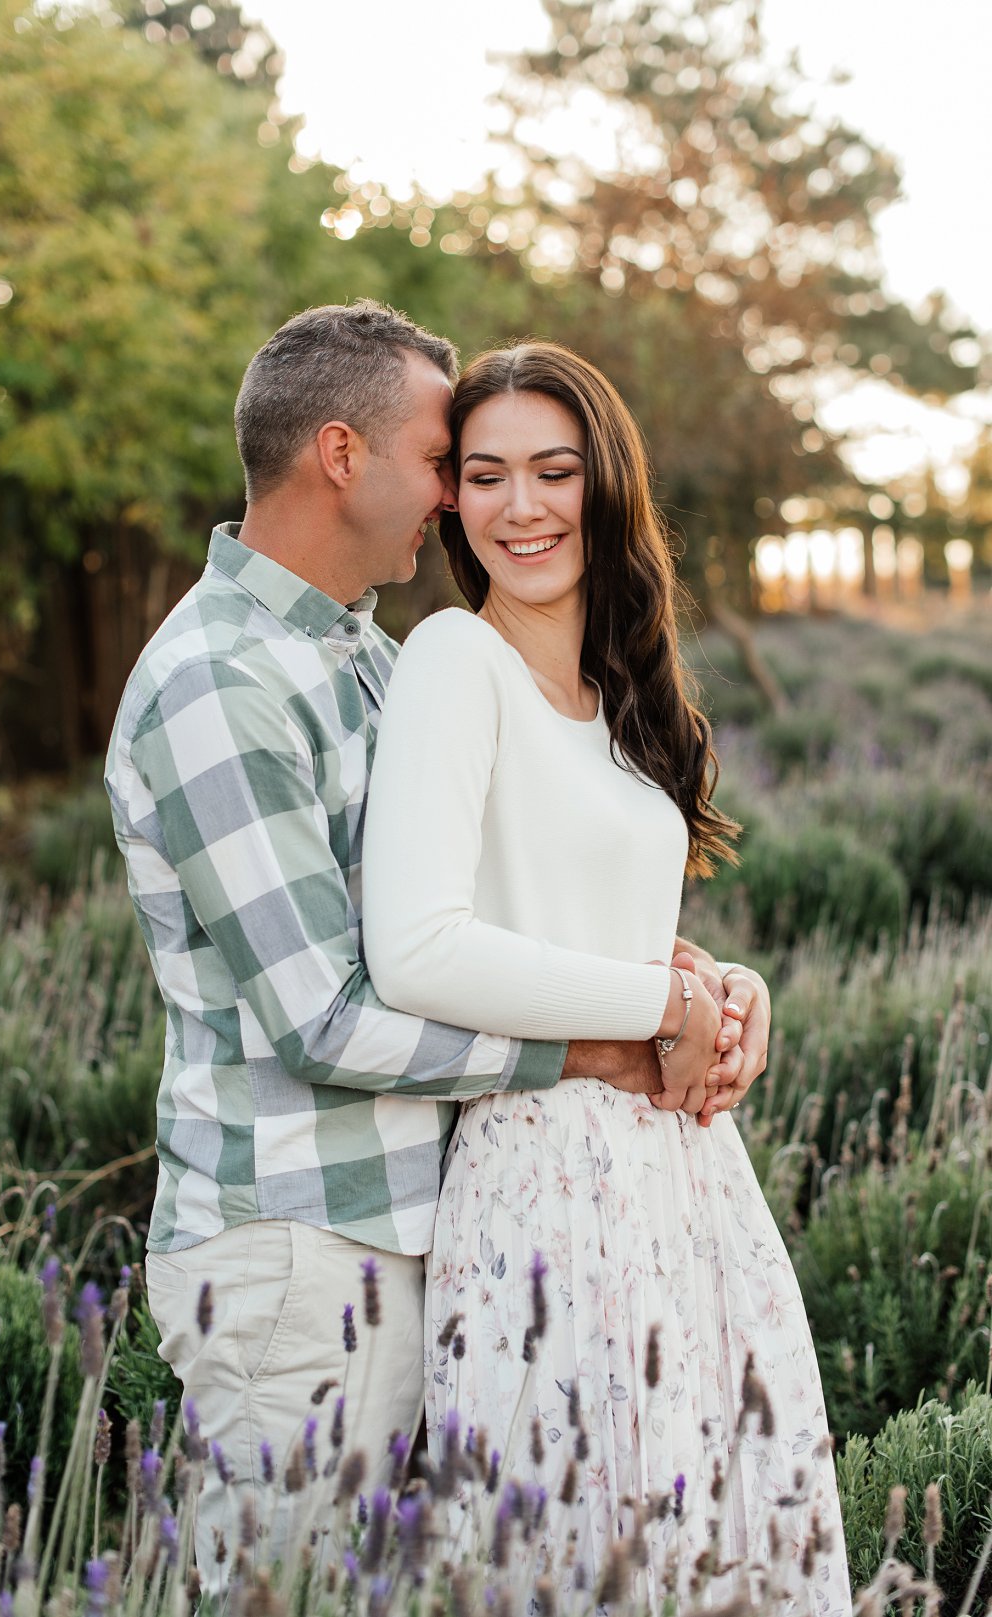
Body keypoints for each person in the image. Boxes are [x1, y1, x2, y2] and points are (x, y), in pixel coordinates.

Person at [105, 301, 770, 1592]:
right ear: (343, 456)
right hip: (296, 1251)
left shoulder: (359, 657)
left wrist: (702, 984)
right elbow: (324, 1016)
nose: (457, 504)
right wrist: (600, 1045)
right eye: (441, 462)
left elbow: (494, 903)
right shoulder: (219, 685)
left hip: (425, 1231)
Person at [362, 341, 849, 1611]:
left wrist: (725, 989)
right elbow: (416, 946)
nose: (521, 508)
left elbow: (605, 927)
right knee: (582, 1559)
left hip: (683, 1192)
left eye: (554, 470)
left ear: (608, 485)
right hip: (541, 1186)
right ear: (452, 501)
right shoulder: (454, 663)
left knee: (719, 1553)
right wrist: (664, 1004)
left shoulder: (619, 689)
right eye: (484, 476)